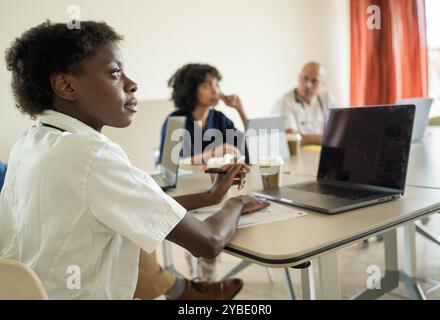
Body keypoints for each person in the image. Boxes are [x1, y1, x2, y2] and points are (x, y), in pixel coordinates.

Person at [0, 21, 268, 300]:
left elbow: (135, 203)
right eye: (115, 73)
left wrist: (210, 196)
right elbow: (208, 242)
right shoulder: (91, 154)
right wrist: (238, 202)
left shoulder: (30, 142)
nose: (132, 84)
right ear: (66, 86)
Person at [159, 64, 249, 165]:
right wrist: (213, 154)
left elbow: (248, 147)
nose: (215, 91)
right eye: (206, 86)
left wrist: (240, 110)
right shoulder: (176, 120)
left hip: (217, 180)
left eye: (216, 85)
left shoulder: (219, 118)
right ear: (191, 90)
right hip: (189, 181)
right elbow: (172, 165)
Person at [274, 62, 338, 146]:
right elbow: (291, 138)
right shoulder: (285, 101)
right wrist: (323, 138)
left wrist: (307, 138)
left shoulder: (327, 99)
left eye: (314, 80)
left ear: (322, 84)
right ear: (299, 77)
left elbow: (338, 130)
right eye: (305, 78)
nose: (308, 84)